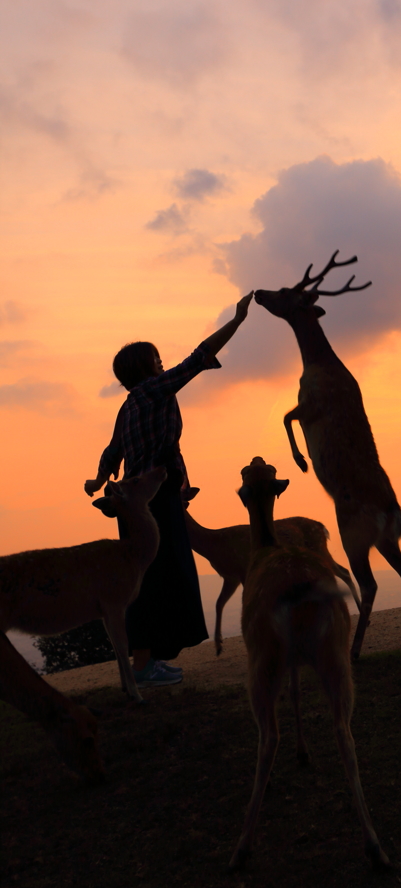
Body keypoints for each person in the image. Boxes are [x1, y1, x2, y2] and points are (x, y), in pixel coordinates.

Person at [84, 293, 253, 687]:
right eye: (156, 361)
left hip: (138, 503)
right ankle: (143, 666)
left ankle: (149, 661)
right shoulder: (154, 391)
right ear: (146, 370)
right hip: (152, 503)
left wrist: (96, 479)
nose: (162, 366)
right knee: (160, 577)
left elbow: (112, 452)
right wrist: (238, 320)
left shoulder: (128, 405)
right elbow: (198, 358)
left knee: (153, 577)